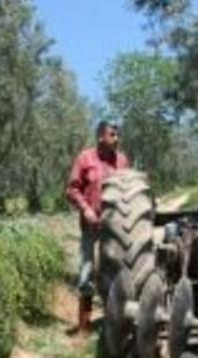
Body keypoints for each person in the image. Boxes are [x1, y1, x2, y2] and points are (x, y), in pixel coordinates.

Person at [66, 121, 129, 334]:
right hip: (90, 226)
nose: (117, 138)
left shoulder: (122, 161)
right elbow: (72, 189)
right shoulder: (85, 158)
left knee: (113, 271)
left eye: (117, 134)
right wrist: (86, 209)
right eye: (112, 134)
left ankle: (112, 323)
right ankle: (84, 326)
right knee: (87, 270)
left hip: (115, 229)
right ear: (101, 137)